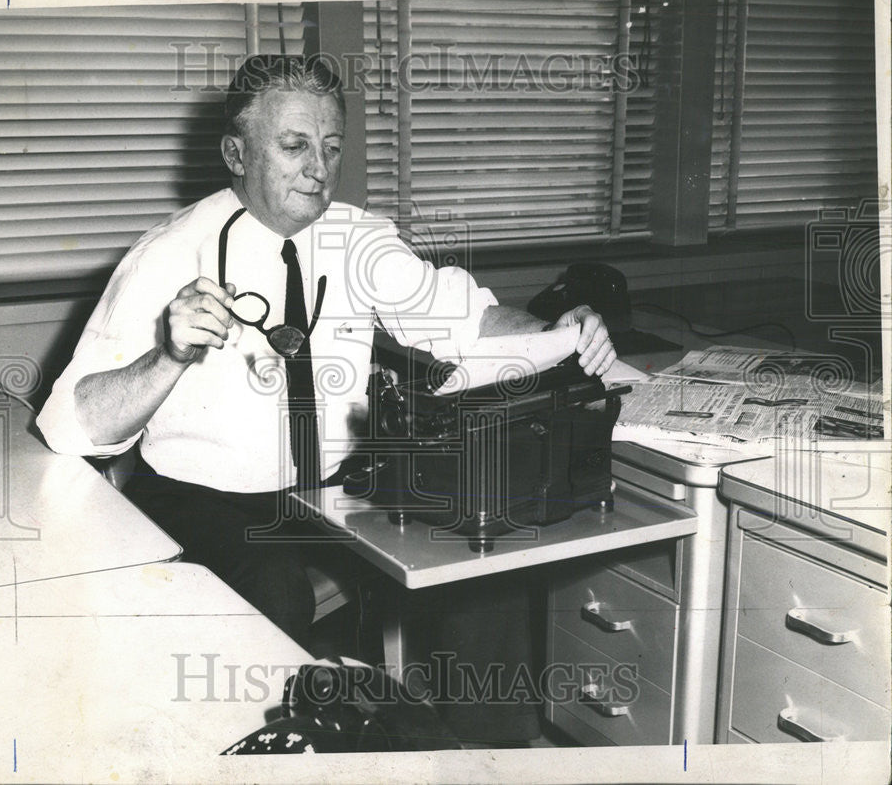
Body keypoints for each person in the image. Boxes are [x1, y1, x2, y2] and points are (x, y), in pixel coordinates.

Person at [37, 54, 616, 744]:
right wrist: (169, 354)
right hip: (205, 499)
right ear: (234, 151)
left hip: (338, 492)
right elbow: (70, 425)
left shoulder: (360, 239)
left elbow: (467, 322)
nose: (319, 166)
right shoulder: (166, 254)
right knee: (273, 590)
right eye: (294, 146)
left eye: (331, 146)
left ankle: (489, 754)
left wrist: (557, 332)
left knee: (479, 556)